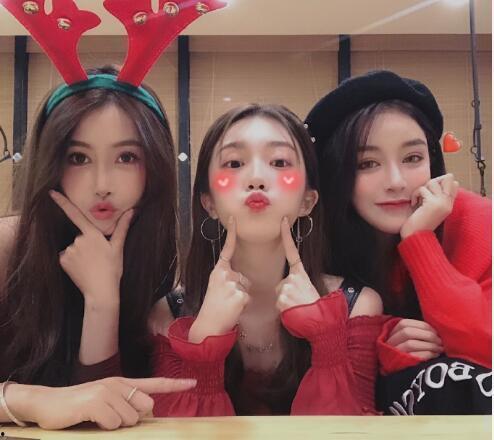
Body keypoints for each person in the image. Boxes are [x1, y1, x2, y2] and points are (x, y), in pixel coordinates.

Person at [151, 104, 387, 416]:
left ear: (307, 201)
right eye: (234, 163)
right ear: (208, 203)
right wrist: (204, 344)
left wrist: (326, 339)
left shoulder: (356, 306)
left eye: (279, 162)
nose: (257, 178)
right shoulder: (170, 316)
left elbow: (350, 433)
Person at [0, 66, 195, 428]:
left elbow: (100, 411)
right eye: (78, 157)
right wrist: (30, 400)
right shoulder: (8, 246)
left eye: (126, 157)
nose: (102, 184)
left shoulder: (157, 257)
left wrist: (102, 302)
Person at [305, 70, 492, 414]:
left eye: (412, 158)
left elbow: (484, 348)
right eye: (367, 163)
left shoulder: (476, 220)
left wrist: (419, 240)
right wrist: (384, 349)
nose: (395, 182)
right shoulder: (320, 241)